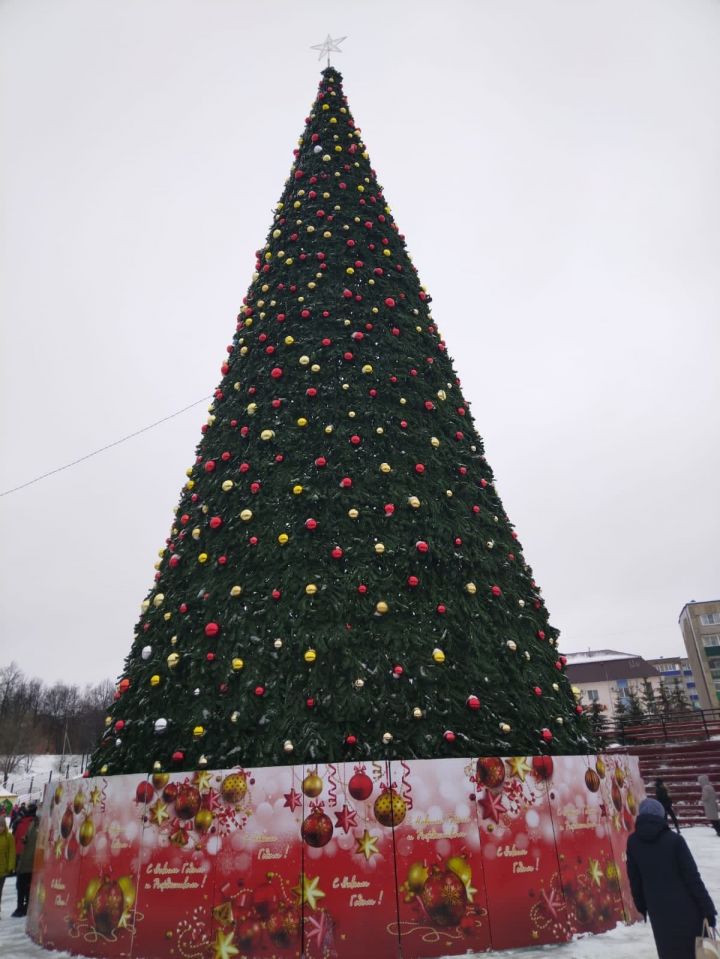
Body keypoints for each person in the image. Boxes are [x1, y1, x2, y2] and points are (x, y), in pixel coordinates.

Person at [627, 797, 716, 959]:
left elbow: (635, 879)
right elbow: (693, 878)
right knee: (697, 953)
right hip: (688, 910)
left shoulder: (633, 842)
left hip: (658, 912)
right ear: (662, 816)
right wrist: (708, 910)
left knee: (669, 952)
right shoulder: (675, 841)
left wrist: (642, 906)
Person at [12, 806, 37, 918]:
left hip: (22, 858)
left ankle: (21, 907)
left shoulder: (21, 823)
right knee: (28, 886)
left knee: (21, 885)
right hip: (32, 860)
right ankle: (26, 906)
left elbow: (16, 839)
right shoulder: (36, 825)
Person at [0, 817, 17, 918]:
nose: (0, 828)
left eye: (2, 826)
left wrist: (10, 866)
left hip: (3, 870)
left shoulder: (9, 837)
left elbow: (12, 852)